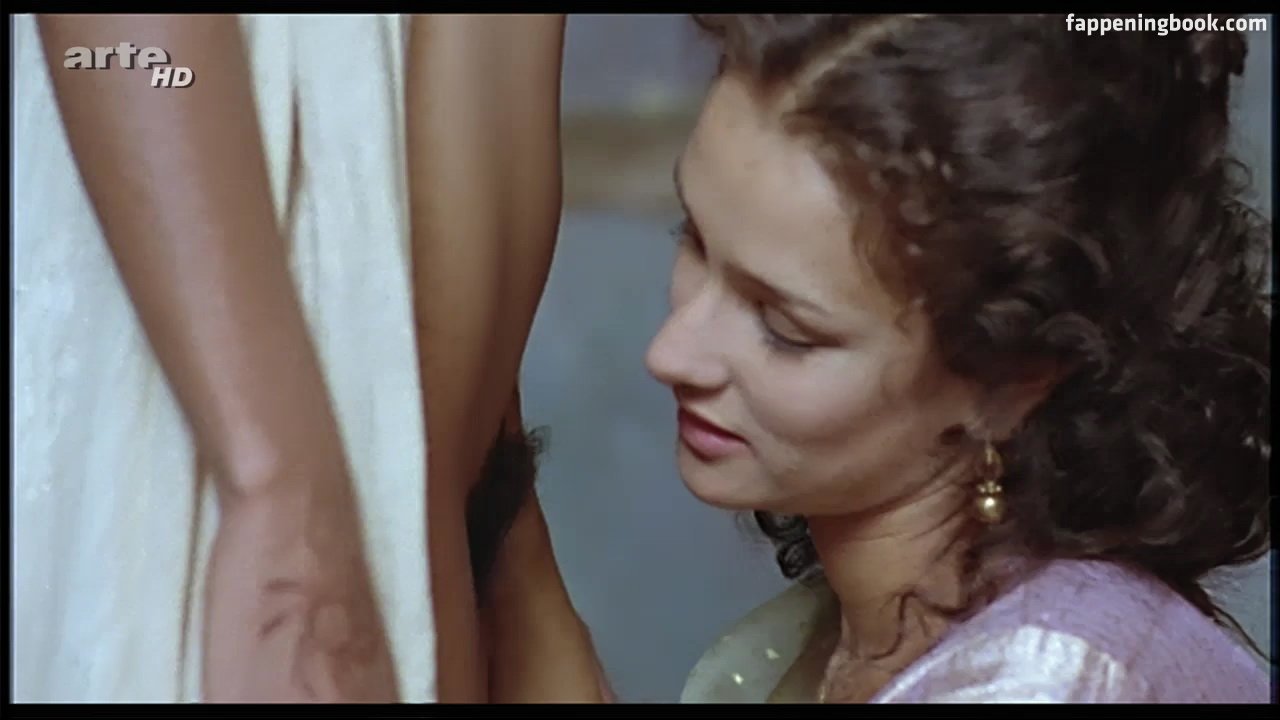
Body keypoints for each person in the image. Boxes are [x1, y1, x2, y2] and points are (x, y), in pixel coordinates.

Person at [454, 14, 1272, 702]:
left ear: (1008, 381)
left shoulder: (1047, 681)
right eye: (693, 240)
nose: (670, 353)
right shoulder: (862, 626)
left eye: (785, 328)